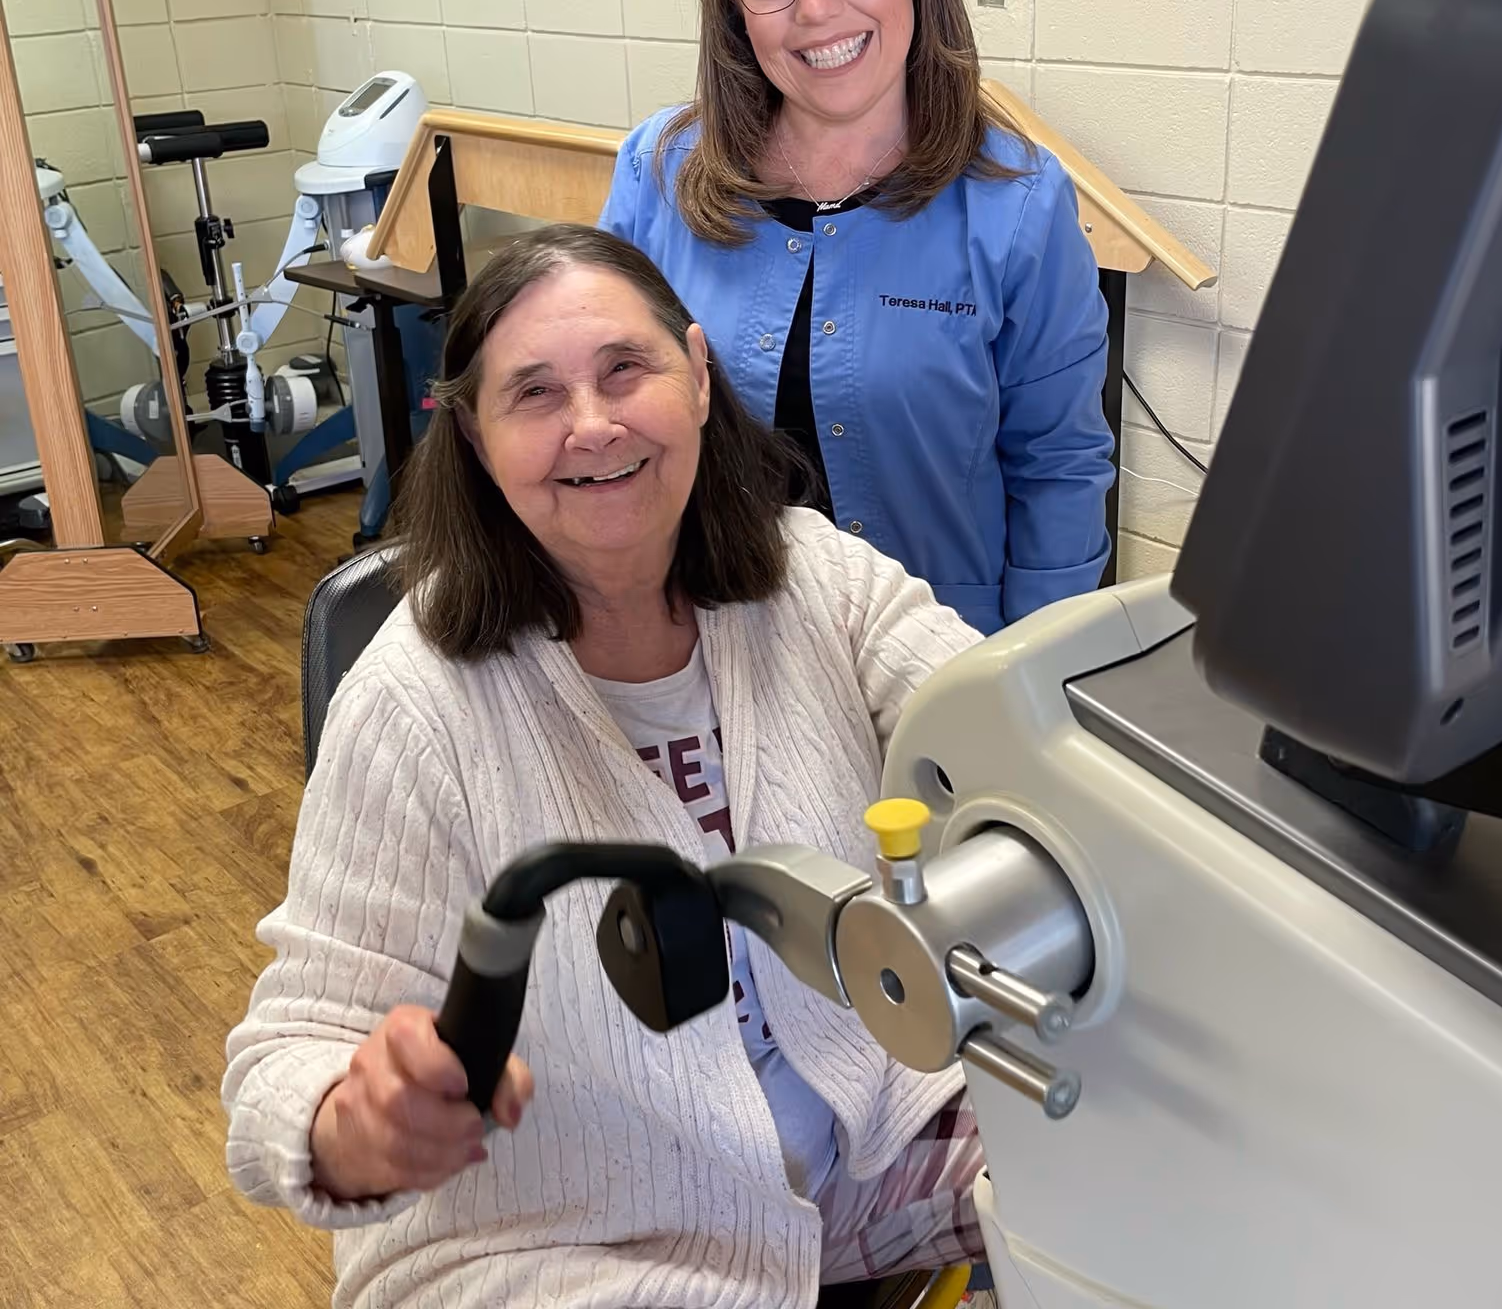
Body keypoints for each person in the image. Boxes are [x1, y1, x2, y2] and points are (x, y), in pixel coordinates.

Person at [222, 225, 989, 1308]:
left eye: (625, 369)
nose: (593, 424)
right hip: (576, 1244)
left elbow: (997, 727)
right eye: (533, 394)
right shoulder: (415, 700)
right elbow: (283, 1064)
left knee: (1158, 1158)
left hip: (861, 1160)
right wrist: (353, 1122)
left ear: (700, 375)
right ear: (479, 443)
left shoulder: (816, 577)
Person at [600, 0, 1116, 638]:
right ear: (735, 7)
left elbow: (1059, 468)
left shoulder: (1019, 204)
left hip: (940, 669)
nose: (815, 10)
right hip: (714, 651)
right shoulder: (658, 174)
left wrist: (1027, 692)